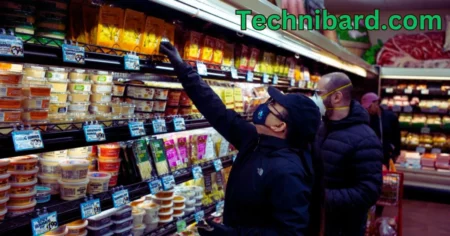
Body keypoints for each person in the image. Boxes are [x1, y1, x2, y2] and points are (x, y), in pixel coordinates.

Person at [160, 40, 322, 235]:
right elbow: (216, 110)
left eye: (272, 105)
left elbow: (289, 233)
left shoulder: (288, 172)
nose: (264, 105)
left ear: (280, 126)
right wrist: (183, 69)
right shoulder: (254, 139)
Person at [310, 72, 383, 236]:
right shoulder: (321, 128)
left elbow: (368, 192)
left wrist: (319, 197)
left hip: (343, 228)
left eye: (318, 93)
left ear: (336, 97)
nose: (314, 99)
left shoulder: (366, 139)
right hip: (318, 223)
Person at [361, 92, 401, 168]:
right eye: (366, 108)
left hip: (387, 156)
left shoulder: (391, 117)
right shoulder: (366, 119)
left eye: (369, 107)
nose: (368, 109)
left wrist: (396, 152)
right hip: (371, 157)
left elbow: (397, 136)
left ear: (376, 103)